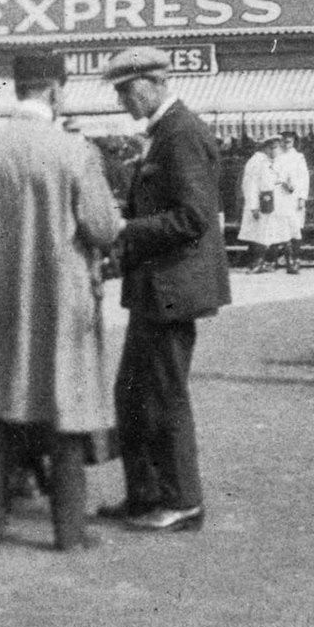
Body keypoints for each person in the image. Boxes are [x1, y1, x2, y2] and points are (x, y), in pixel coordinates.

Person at [0, 51, 123, 551]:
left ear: (17, 89)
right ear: (56, 91)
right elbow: (104, 228)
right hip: (62, 303)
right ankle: (68, 531)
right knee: (68, 411)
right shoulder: (76, 152)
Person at [99, 46, 232, 533]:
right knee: (132, 393)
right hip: (158, 288)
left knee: (162, 394)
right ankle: (145, 496)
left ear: (152, 83)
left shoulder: (181, 134)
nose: (122, 101)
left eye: (125, 90)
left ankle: (182, 501)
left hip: (172, 289)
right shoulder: (166, 133)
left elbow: (193, 218)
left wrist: (124, 228)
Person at [239, 135, 298, 274]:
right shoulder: (258, 163)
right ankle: (259, 263)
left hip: (283, 203)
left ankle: (291, 263)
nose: (274, 151)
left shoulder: (284, 162)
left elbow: (293, 182)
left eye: (276, 147)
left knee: (285, 232)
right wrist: (253, 205)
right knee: (263, 233)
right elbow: (251, 186)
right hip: (266, 203)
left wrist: (289, 185)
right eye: (271, 148)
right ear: (265, 148)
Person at [278, 131, 311, 273]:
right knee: (284, 230)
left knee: (295, 229)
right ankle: (289, 261)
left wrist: (302, 198)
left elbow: (304, 179)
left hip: (294, 198)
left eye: (289, 141)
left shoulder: (298, 157)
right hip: (281, 197)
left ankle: (297, 260)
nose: (286, 144)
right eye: (284, 141)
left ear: (293, 142)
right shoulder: (277, 157)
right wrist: (282, 183)